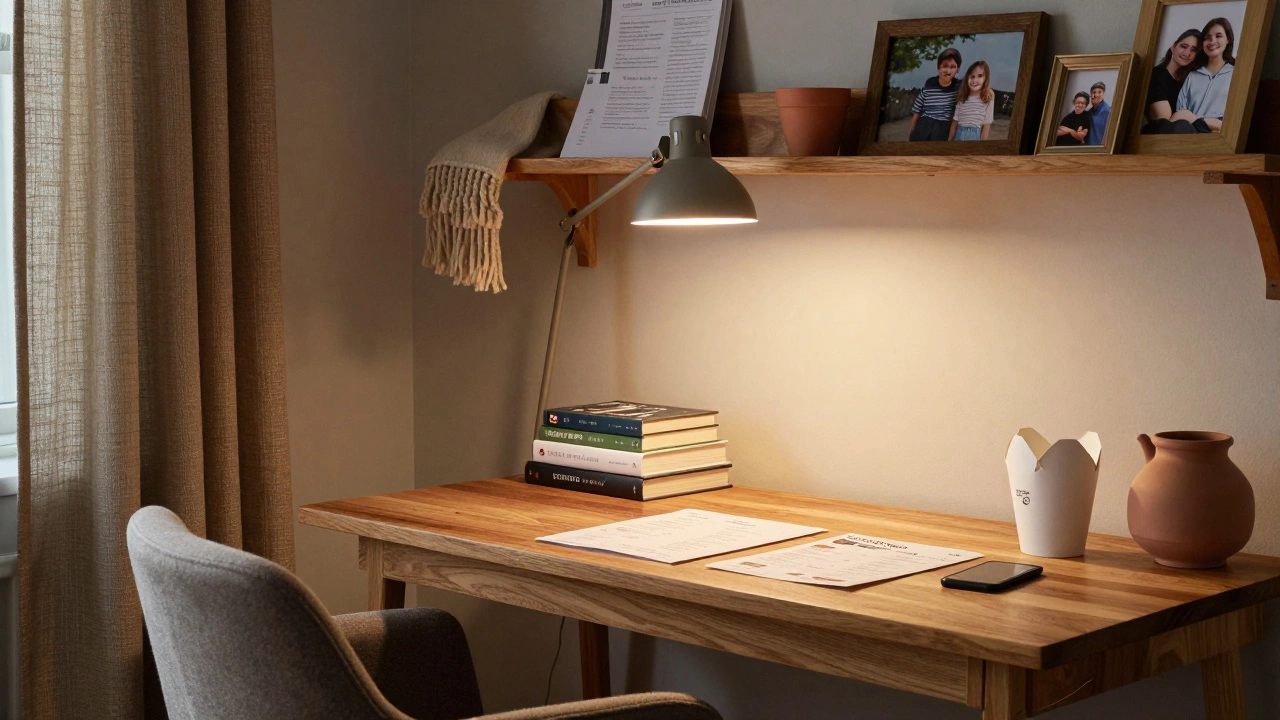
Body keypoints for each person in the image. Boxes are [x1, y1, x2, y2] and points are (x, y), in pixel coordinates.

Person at [1171, 18, 1235, 133]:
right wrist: (1201, 121)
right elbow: (1180, 113)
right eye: (1207, 38)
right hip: (1189, 131)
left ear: (1228, 40)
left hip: (1221, 133)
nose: (1212, 41)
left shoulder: (1236, 74)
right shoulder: (1192, 76)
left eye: (1218, 36)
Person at [1142, 29, 1202, 134]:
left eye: (1193, 50)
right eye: (1184, 46)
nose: (1187, 53)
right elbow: (1164, 120)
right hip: (1157, 135)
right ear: (1173, 46)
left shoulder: (1189, 81)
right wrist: (1187, 116)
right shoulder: (1157, 74)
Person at [908, 47, 962, 141]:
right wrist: (912, 131)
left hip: (943, 127)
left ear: (957, 69)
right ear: (939, 68)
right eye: (945, 66)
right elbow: (917, 110)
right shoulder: (930, 85)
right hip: (925, 124)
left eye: (952, 67)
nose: (948, 70)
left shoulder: (958, 87)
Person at [950, 60, 995, 141]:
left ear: (985, 78)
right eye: (972, 76)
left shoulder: (986, 98)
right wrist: (949, 140)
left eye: (980, 76)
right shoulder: (962, 98)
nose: (974, 80)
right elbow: (955, 120)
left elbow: (987, 124)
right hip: (958, 134)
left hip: (974, 135)